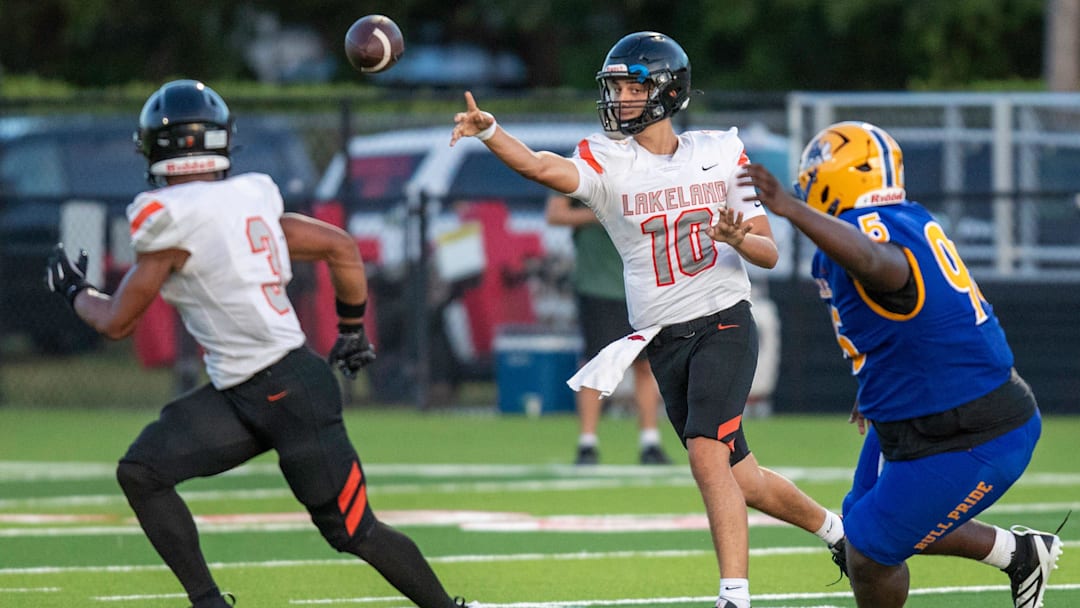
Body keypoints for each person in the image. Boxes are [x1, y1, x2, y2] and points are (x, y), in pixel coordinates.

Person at [452, 32, 845, 608]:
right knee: (744, 479)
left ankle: (734, 597)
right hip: (665, 340)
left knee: (706, 451)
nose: (620, 98)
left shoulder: (722, 152)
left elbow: (768, 251)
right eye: (616, 87)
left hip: (725, 321)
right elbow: (540, 168)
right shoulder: (610, 162)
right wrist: (490, 132)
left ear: (667, 90)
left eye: (632, 87)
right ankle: (842, 534)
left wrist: (739, 236)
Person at [45, 80, 470, 608]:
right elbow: (340, 248)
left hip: (287, 395)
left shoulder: (172, 219)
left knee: (353, 531)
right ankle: (208, 602)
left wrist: (73, 290)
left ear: (156, 145)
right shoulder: (250, 196)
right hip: (252, 390)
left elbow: (114, 322)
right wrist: (352, 329)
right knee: (142, 471)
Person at [738, 120, 1063, 608]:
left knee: (868, 550)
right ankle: (1019, 554)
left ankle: (1018, 554)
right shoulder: (904, 216)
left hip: (972, 431)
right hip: (922, 410)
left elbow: (880, 264)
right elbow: (921, 315)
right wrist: (881, 378)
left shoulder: (871, 232)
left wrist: (791, 208)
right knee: (865, 518)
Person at [545, 192, 671, 465]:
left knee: (646, 364)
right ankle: (587, 443)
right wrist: (600, 215)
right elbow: (555, 214)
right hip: (597, 283)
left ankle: (650, 441)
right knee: (596, 361)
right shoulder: (583, 165)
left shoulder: (644, 165)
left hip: (640, 285)